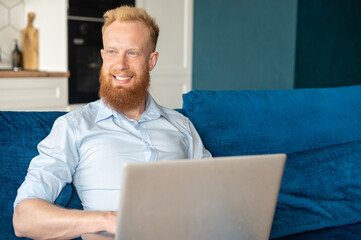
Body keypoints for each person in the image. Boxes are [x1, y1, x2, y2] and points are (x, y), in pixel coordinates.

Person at [13, 6, 211, 239]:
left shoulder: (181, 126)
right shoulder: (74, 126)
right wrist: (105, 220)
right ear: (103, 56)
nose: (120, 65)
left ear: (151, 60)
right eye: (112, 52)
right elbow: (24, 219)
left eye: (132, 53)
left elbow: (215, 196)